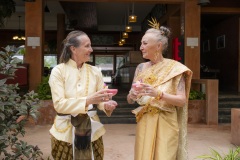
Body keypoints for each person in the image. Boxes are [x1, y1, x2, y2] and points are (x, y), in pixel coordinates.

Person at [49, 30, 118, 160]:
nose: (91, 49)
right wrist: (87, 100)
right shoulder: (58, 71)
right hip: (64, 132)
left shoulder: (95, 71)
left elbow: (101, 100)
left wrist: (106, 105)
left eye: (90, 46)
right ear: (73, 49)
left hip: (92, 131)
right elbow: (59, 105)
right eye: (87, 46)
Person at [127, 26, 192, 160]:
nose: (141, 47)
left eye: (144, 43)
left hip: (166, 122)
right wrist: (132, 95)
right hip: (145, 121)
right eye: (141, 43)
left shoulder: (175, 69)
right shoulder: (140, 68)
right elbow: (130, 99)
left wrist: (158, 94)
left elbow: (181, 101)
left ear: (158, 46)